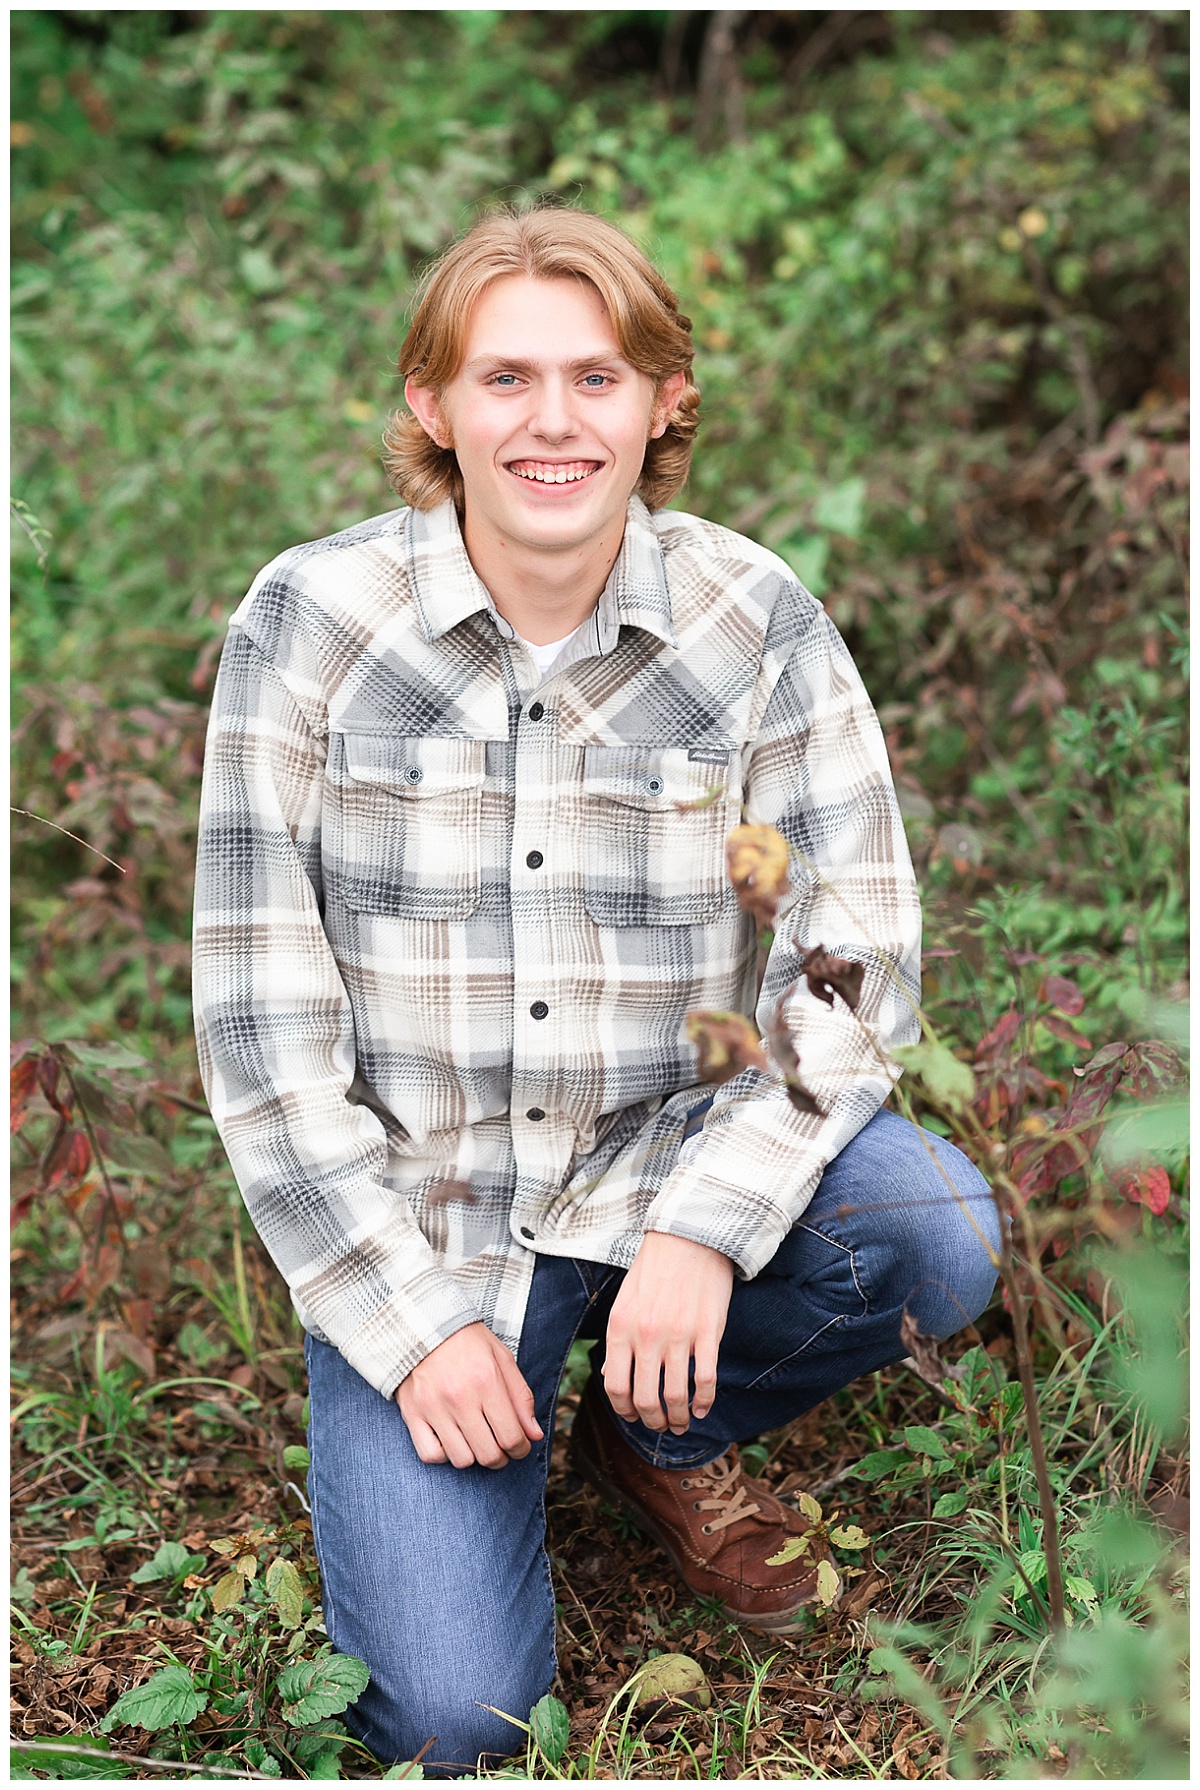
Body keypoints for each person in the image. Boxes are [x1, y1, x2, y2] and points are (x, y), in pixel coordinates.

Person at [192, 206, 998, 1776]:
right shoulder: (307, 623)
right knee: (452, 1719)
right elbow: (261, 1024)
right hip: (431, 1220)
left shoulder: (754, 620)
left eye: (597, 377)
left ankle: (658, 1423)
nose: (553, 422)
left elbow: (850, 964)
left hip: (660, 1168)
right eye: (505, 379)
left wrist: (709, 1225)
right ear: (433, 406)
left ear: (663, 402)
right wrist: (416, 1328)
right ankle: (488, 1408)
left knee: (936, 1230)